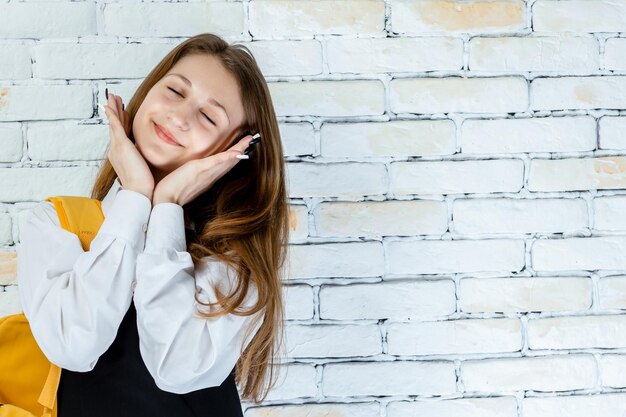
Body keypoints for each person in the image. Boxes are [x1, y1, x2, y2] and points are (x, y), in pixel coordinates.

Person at [16, 32, 289, 417]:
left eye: (210, 116)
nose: (179, 117)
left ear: (235, 150)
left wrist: (167, 207)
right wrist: (136, 197)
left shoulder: (235, 254)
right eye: (175, 91)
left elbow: (176, 370)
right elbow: (72, 347)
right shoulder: (56, 223)